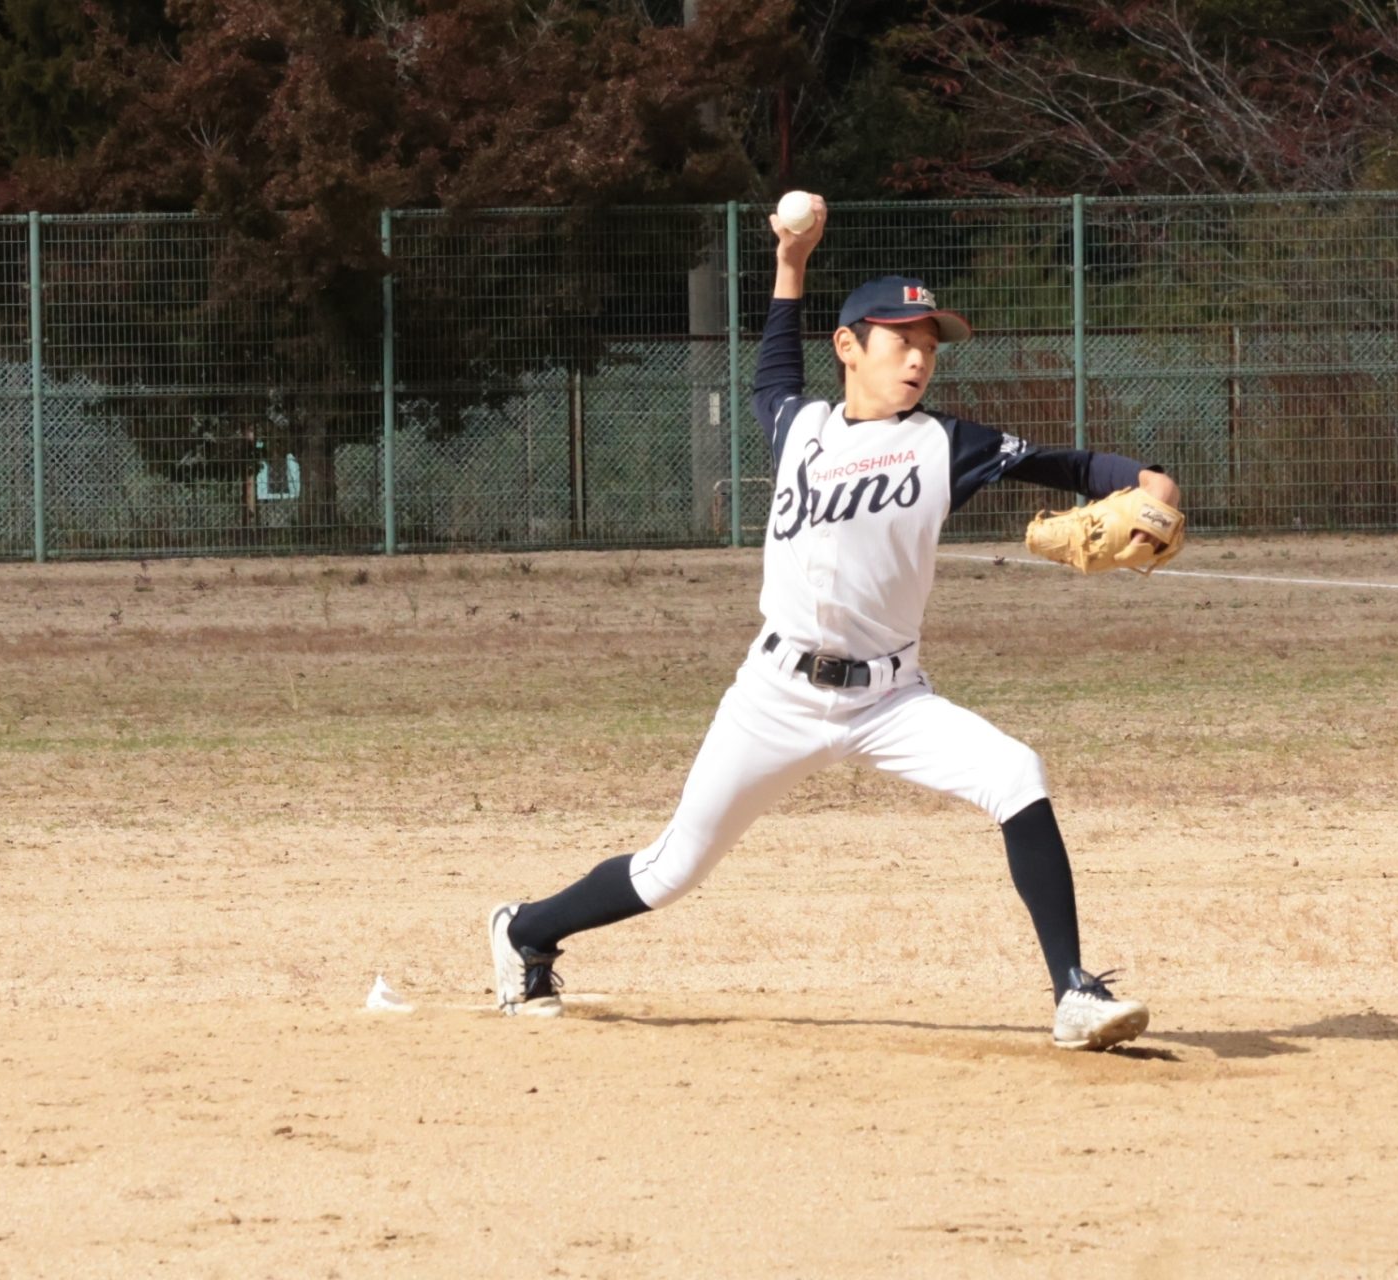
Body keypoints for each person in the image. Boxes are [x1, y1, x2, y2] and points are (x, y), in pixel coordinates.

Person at [488, 194, 1181, 1051]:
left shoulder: (945, 444)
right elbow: (772, 367)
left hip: (891, 700)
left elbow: (1070, 462)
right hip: (774, 695)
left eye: (930, 346)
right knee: (673, 869)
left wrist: (1152, 485)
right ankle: (526, 930)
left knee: (1016, 773)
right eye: (902, 341)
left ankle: (1073, 991)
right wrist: (790, 262)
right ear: (850, 348)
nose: (920, 359)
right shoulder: (798, 425)